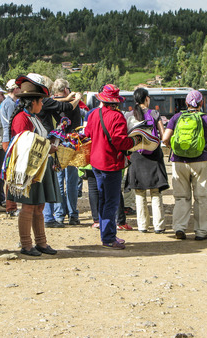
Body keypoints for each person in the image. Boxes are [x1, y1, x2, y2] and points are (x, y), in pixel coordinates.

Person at [7, 75, 61, 256]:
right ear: (32, 102)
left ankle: (41, 242)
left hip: (40, 167)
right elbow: (26, 144)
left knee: (39, 206)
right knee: (28, 206)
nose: (42, 105)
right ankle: (26, 244)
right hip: (28, 169)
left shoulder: (33, 117)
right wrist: (49, 147)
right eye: (40, 101)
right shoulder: (22, 119)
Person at [84, 84, 141, 249]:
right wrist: (135, 141)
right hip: (111, 163)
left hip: (95, 163)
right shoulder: (117, 117)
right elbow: (120, 141)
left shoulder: (94, 114)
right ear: (116, 102)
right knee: (111, 201)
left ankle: (106, 233)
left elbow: (87, 134)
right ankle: (108, 237)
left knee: (103, 199)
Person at [163, 90, 207, 240]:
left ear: (186, 103)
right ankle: (201, 232)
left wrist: (174, 147)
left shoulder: (176, 117)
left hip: (179, 162)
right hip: (201, 161)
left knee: (181, 197)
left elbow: (165, 139)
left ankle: (179, 228)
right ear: (201, 104)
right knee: (201, 197)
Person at [128, 88, 169, 234]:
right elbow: (164, 136)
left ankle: (142, 226)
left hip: (136, 157)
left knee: (139, 193)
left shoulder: (129, 115)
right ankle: (159, 225)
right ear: (146, 98)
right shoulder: (154, 113)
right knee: (156, 192)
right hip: (154, 155)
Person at [43, 79, 82, 227]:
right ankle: (72, 214)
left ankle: (59, 214)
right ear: (66, 90)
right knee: (71, 181)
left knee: (59, 180)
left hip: (57, 142)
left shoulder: (53, 103)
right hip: (71, 142)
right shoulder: (73, 103)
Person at [0, 79, 20, 216]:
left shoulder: (5, 103)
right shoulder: (10, 104)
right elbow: (13, 124)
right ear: (14, 89)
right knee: (11, 173)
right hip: (10, 139)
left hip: (7, 139)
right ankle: (11, 206)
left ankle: (11, 206)